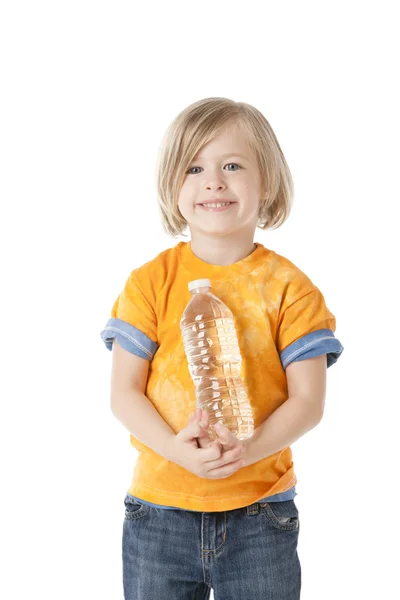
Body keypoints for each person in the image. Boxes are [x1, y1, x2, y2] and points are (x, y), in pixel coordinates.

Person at [100, 97, 344, 600]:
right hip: (159, 510)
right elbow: (125, 393)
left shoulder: (290, 287)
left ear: (268, 183)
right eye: (194, 167)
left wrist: (249, 450)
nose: (213, 181)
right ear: (174, 186)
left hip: (260, 512)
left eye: (232, 165)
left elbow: (308, 401)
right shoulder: (151, 282)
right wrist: (173, 450)